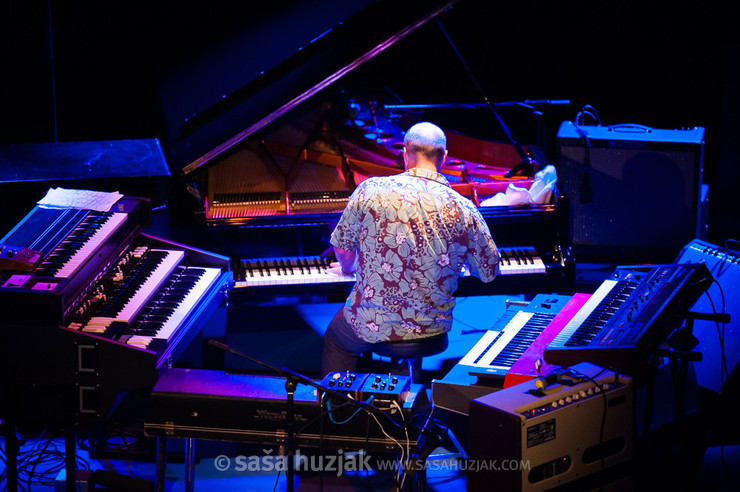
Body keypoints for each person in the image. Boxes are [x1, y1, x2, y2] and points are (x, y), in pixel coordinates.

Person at [321, 122, 500, 375]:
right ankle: (408, 401)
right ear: (445, 157)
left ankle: (339, 409)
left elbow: (342, 248)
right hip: (432, 326)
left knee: (337, 342)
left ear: (405, 153)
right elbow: (488, 272)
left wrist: (349, 268)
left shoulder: (370, 191)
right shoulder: (463, 207)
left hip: (373, 323)